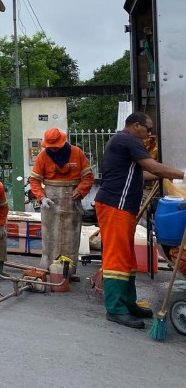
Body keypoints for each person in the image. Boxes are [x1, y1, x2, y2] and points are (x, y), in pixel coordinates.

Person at [94, 112, 186, 329]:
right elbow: (152, 167)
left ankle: (128, 303)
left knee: (127, 259)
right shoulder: (129, 140)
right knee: (117, 258)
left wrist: (167, 175)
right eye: (149, 128)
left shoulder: (121, 141)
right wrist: (182, 174)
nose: (150, 133)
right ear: (136, 126)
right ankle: (115, 309)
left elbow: (141, 174)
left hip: (120, 207)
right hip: (115, 206)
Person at [28, 127, 94, 281]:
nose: (53, 150)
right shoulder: (43, 156)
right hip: (51, 201)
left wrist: (81, 190)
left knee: (71, 237)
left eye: (55, 147)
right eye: (50, 147)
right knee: (50, 235)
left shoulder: (76, 153)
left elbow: (88, 176)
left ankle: (68, 271)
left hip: (72, 199)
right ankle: (48, 268)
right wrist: (42, 198)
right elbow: (35, 180)